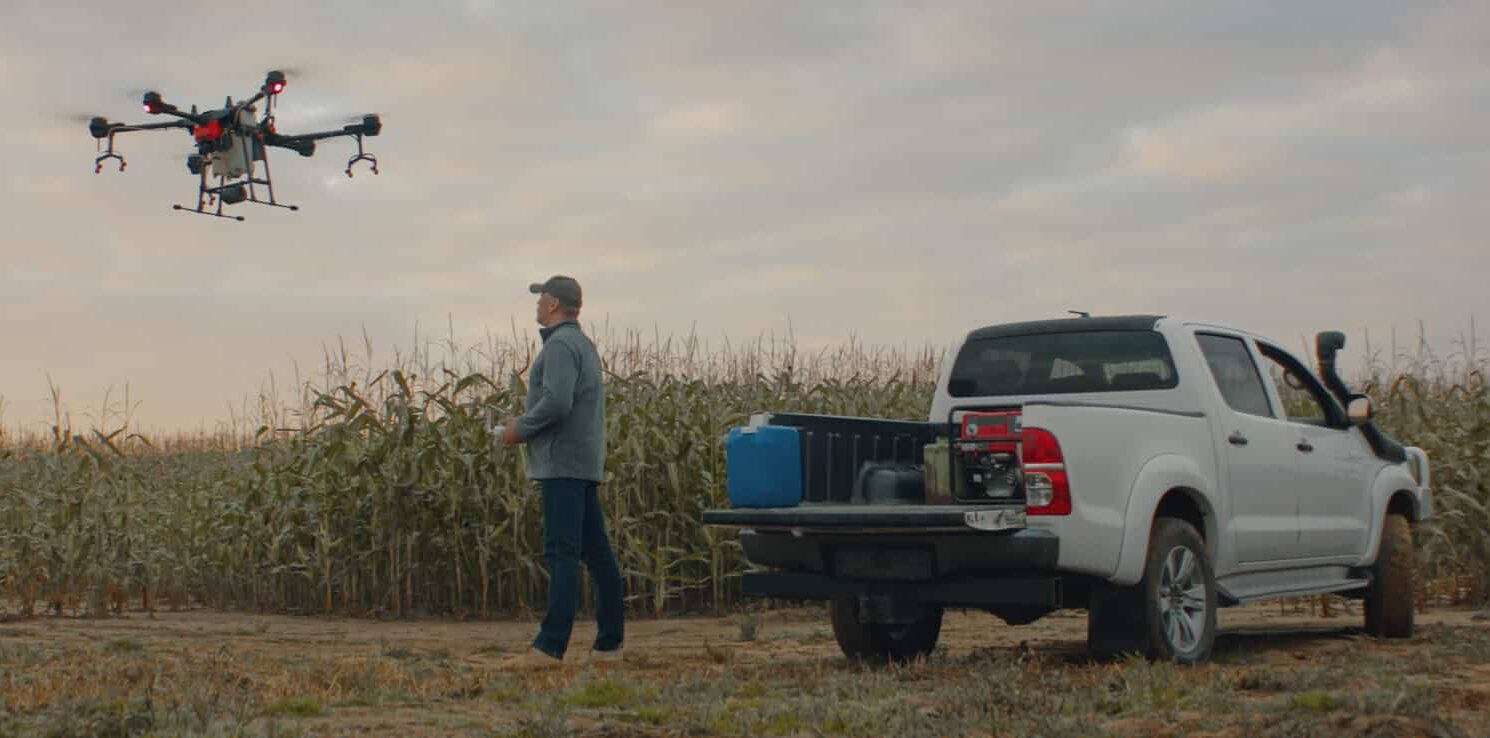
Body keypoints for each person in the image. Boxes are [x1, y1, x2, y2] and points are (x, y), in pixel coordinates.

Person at [499, 275, 625, 668]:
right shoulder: (582, 344)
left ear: (553, 303)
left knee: (562, 552)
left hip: (562, 464)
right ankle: (609, 645)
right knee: (597, 554)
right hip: (582, 463)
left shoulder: (559, 345)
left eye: (541, 299)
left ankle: (550, 647)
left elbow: (556, 403)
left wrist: (519, 429)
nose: (537, 305)